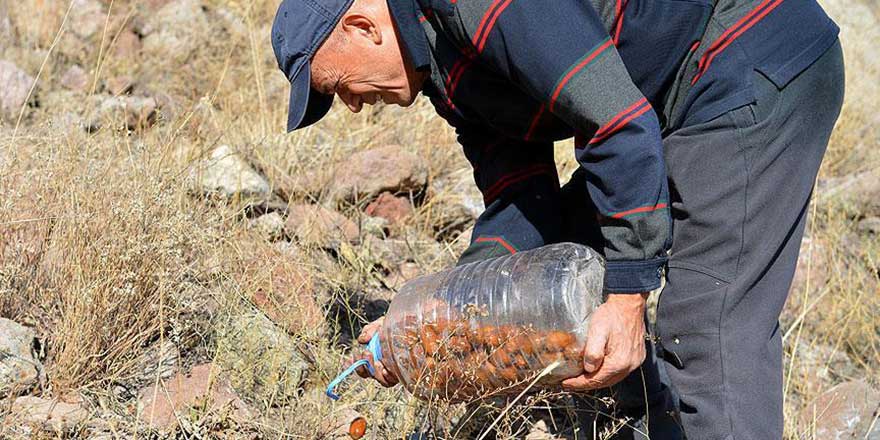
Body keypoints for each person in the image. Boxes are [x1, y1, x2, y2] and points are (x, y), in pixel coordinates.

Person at [271, 0, 844, 438]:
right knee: (550, 286)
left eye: (336, 86)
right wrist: (434, 318)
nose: (349, 105)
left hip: (749, 55)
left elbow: (616, 126)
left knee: (706, 326)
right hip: (669, 100)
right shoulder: (447, 77)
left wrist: (626, 296)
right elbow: (522, 201)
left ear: (363, 28)